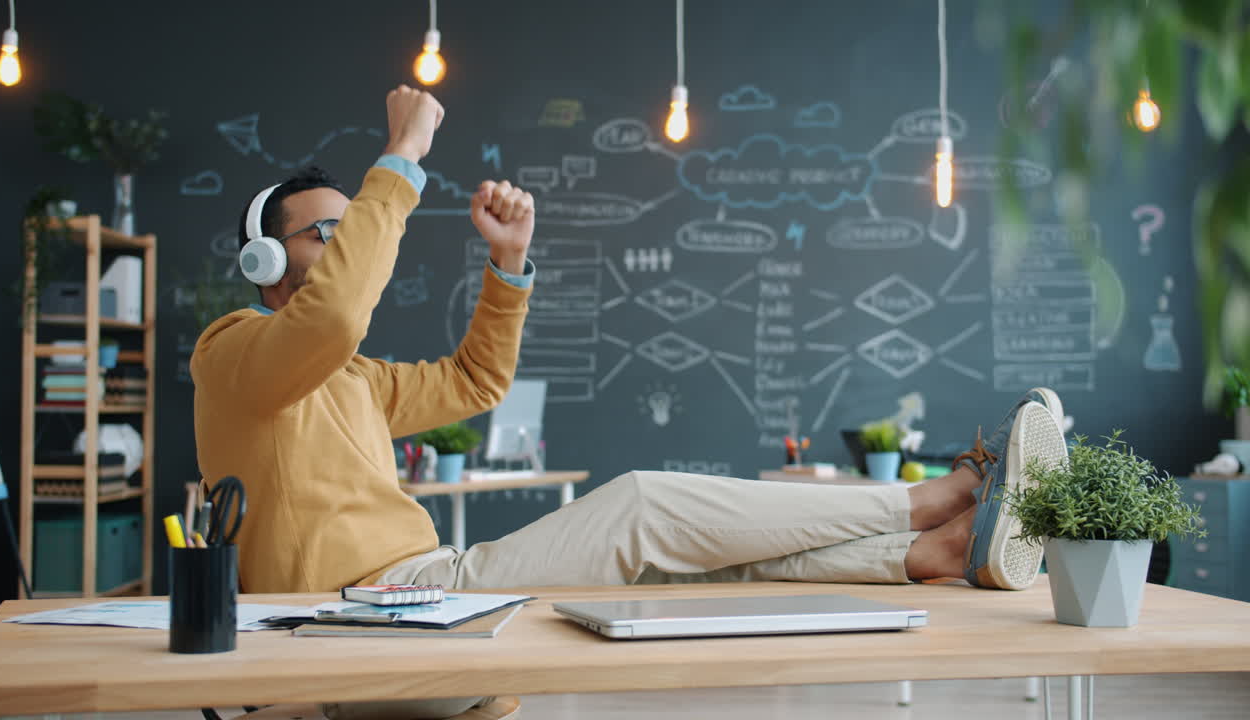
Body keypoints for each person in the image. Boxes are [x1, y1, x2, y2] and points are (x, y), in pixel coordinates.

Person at [192, 86, 1069, 717]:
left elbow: (472, 384)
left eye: (357, 225)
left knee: (685, 558)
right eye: (327, 232)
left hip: (422, 603)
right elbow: (338, 311)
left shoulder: (350, 380)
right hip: (354, 622)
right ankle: (925, 500)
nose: (350, 241)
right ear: (263, 262)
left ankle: (929, 553)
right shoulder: (232, 352)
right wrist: (402, 156)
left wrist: (507, 265)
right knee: (644, 504)